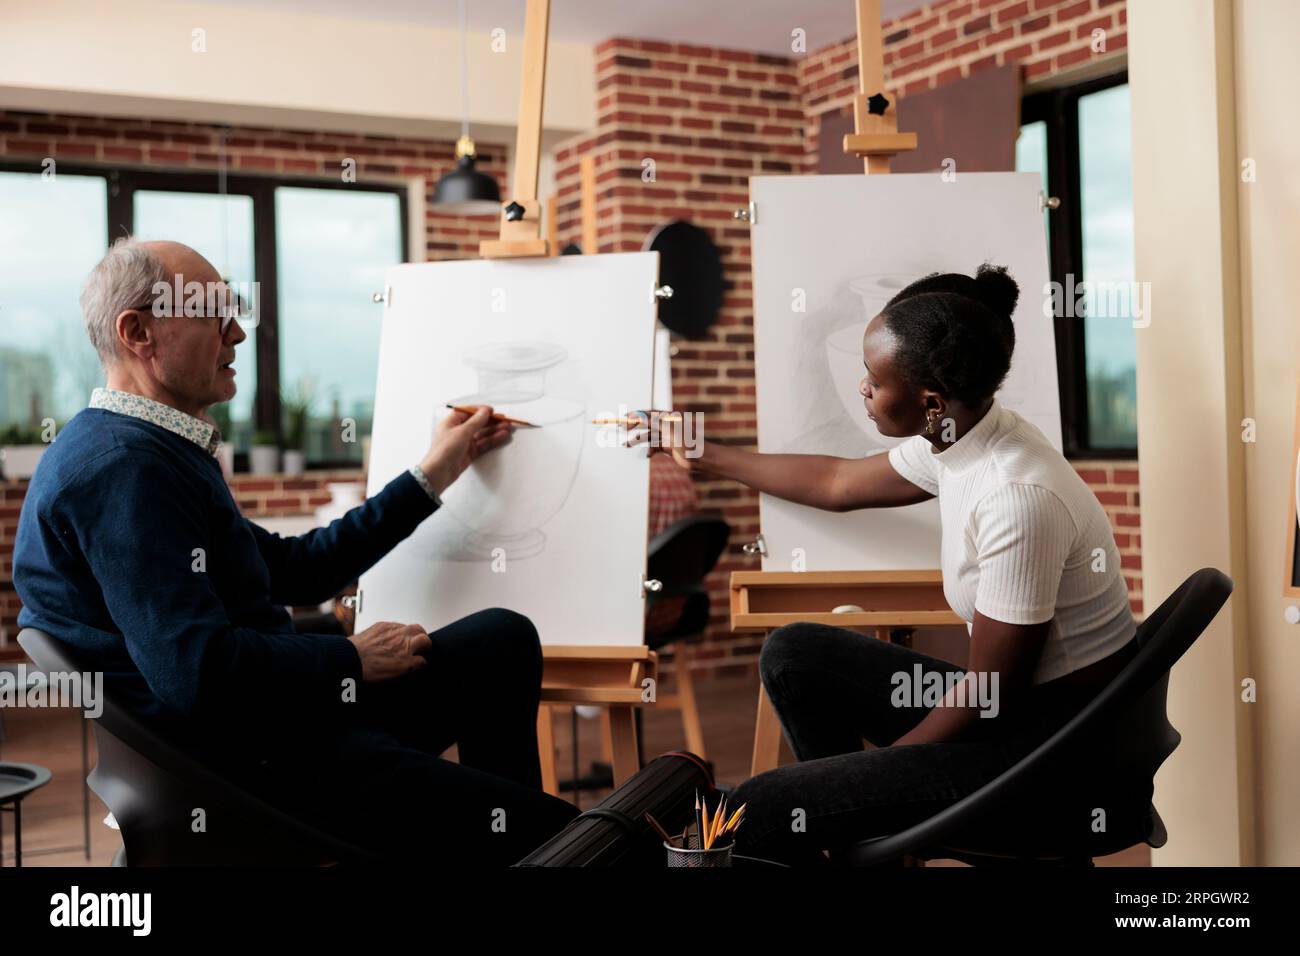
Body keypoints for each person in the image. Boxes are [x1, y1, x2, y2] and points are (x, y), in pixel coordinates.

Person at [13, 237, 579, 864]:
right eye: (213, 314)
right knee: (574, 836)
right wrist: (350, 658)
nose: (237, 334)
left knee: (501, 641)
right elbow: (196, 673)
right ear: (138, 332)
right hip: (258, 766)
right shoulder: (124, 470)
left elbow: (298, 568)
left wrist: (434, 472)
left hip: (276, 720)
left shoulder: (145, 449)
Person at [635, 263, 1140, 866]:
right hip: (1018, 716)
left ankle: (844, 824)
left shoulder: (1016, 495)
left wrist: (871, 773)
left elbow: (988, 696)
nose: (862, 389)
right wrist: (697, 451)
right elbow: (836, 481)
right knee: (794, 654)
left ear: (929, 401)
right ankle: (854, 837)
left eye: (874, 378)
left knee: (767, 804)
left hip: (1053, 758)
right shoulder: (960, 437)